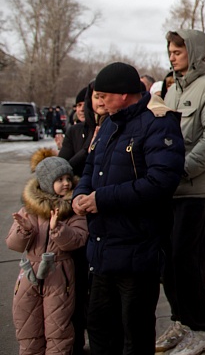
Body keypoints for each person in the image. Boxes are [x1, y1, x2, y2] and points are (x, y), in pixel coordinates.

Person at [71, 62, 185, 355]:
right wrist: (80, 194)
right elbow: (91, 167)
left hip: (138, 251)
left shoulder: (159, 123)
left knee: (134, 333)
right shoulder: (108, 123)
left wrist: (102, 199)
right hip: (102, 248)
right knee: (98, 327)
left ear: (123, 94)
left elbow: (161, 182)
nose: (99, 103)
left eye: (103, 96)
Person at [158, 30, 205, 355]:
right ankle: (181, 321)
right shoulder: (173, 90)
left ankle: (201, 328)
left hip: (193, 190)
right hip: (167, 191)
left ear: (194, 51)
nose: (172, 56)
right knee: (168, 264)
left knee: (186, 262)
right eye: (170, 51)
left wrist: (179, 170)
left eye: (178, 51)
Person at [7, 152, 88, 355]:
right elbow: (13, 244)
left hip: (59, 275)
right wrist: (24, 230)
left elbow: (78, 239)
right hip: (29, 275)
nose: (66, 183)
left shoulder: (73, 209)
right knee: (28, 329)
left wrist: (58, 229)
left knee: (58, 329)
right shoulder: (29, 210)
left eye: (68, 178)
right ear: (45, 183)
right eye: (59, 179)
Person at [55, 85, 96, 354]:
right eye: (79, 104)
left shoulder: (108, 129)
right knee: (76, 284)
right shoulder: (75, 132)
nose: (82, 108)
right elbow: (63, 167)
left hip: (97, 214)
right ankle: (76, 342)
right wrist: (86, 151)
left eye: (86, 103)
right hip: (74, 214)